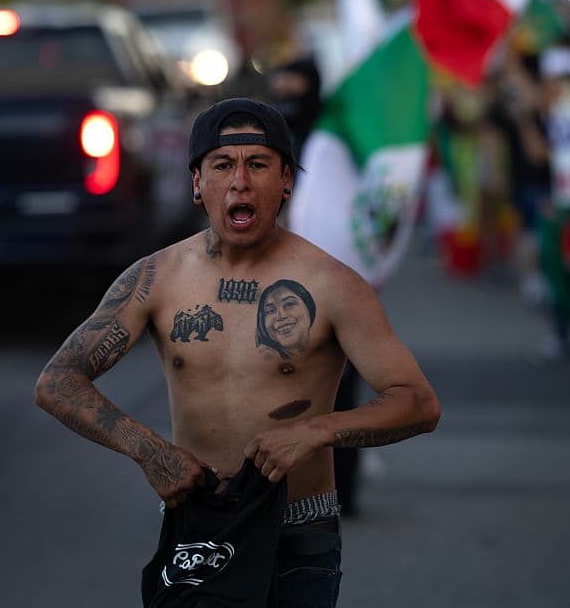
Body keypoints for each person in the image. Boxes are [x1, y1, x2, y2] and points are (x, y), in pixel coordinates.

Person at [34, 97, 441, 606]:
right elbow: (58, 381)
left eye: (259, 165)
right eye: (223, 166)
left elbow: (419, 403)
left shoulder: (335, 286)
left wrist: (315, 431)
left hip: (300, 534)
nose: (240, 182)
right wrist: (149, 450)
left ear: (287, 182)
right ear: (197, 183)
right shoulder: (154, 280)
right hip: (198, 526)